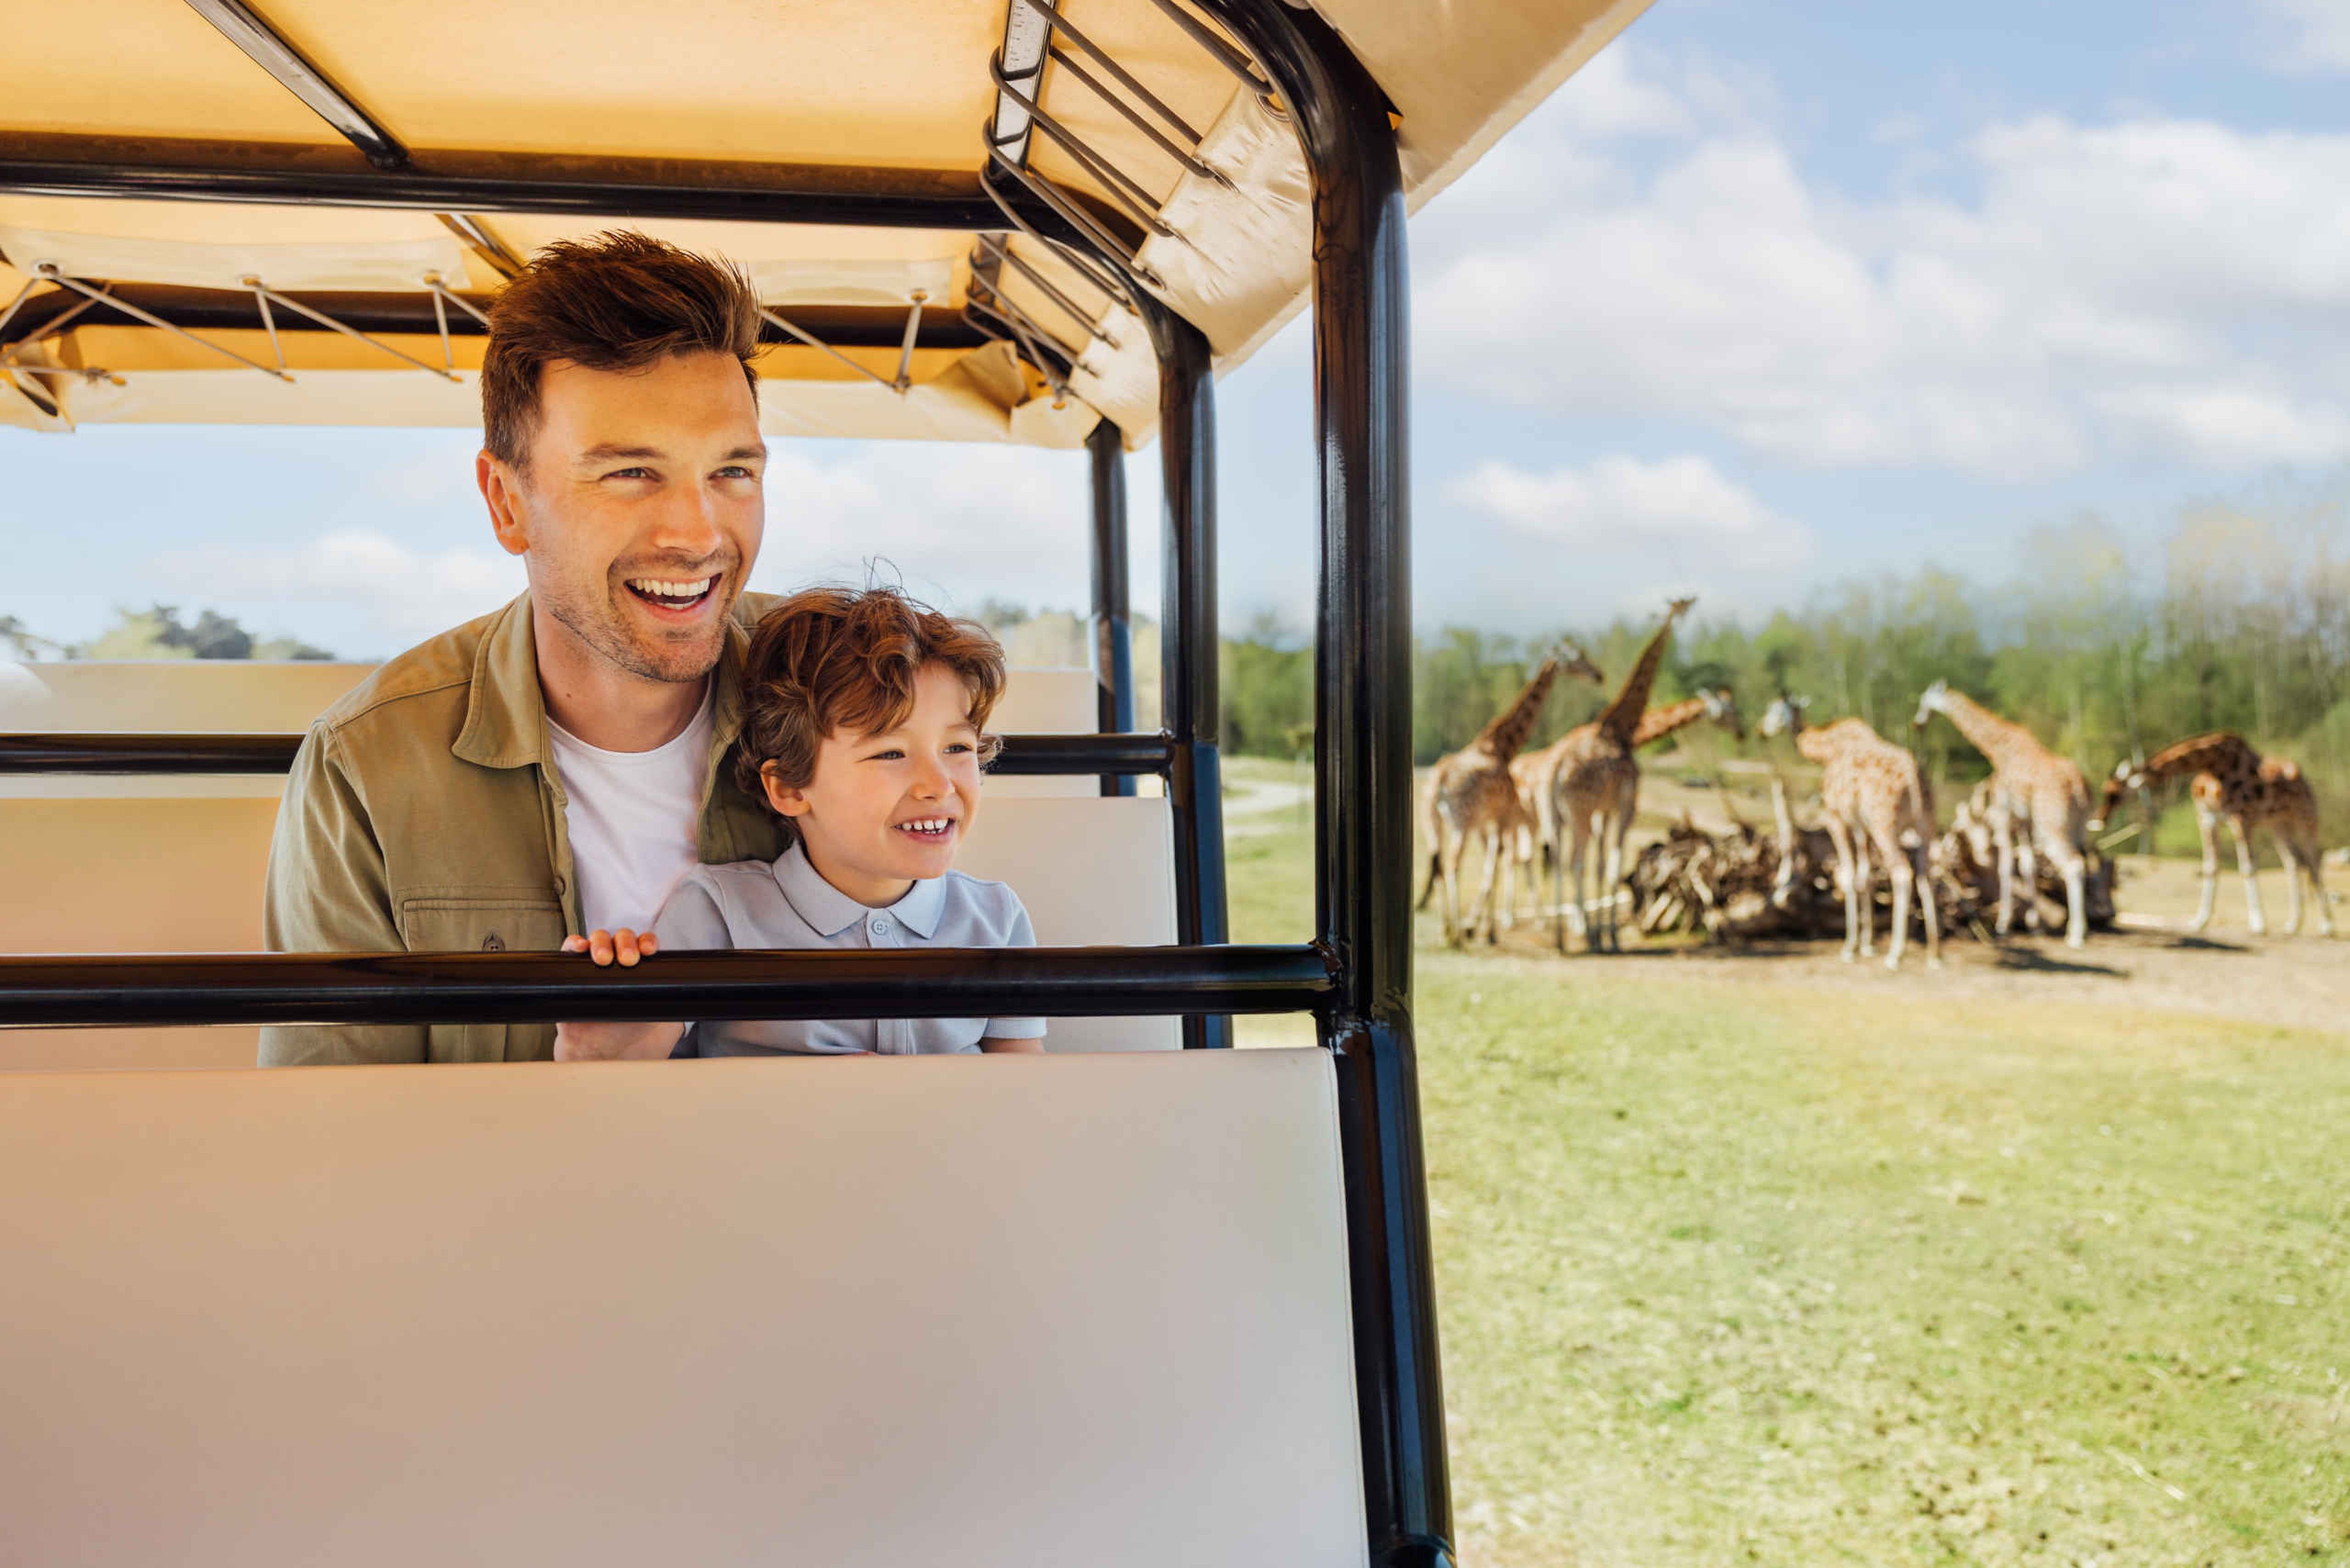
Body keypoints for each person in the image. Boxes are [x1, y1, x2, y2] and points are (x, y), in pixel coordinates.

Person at [259, 231, 786, 1065]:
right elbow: (335, 1117)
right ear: (506, 502)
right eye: (630, 474)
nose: (697, 534)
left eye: (732, 472)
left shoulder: (850, 693)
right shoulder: (364, 764)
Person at [553, 586, 1044, 1059]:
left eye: (957, 747)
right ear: (789, 788)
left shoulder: (996, 919)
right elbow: (632, 1060)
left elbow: (1023, 1086)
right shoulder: (719, 912)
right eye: (891, 753)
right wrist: (599, 1040)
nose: (938, 784)